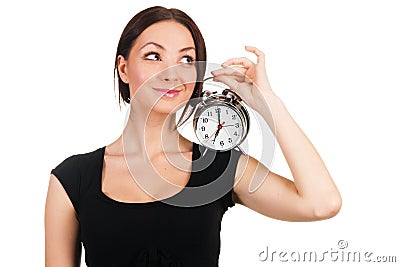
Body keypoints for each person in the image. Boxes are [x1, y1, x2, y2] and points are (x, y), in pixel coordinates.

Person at [45, 6, 341, 267]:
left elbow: (322, 203)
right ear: (123, 68)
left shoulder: (220, 168)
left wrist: (267, 101)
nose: (171, 72)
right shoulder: (73, 178)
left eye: (187, 60)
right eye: (153, 56)